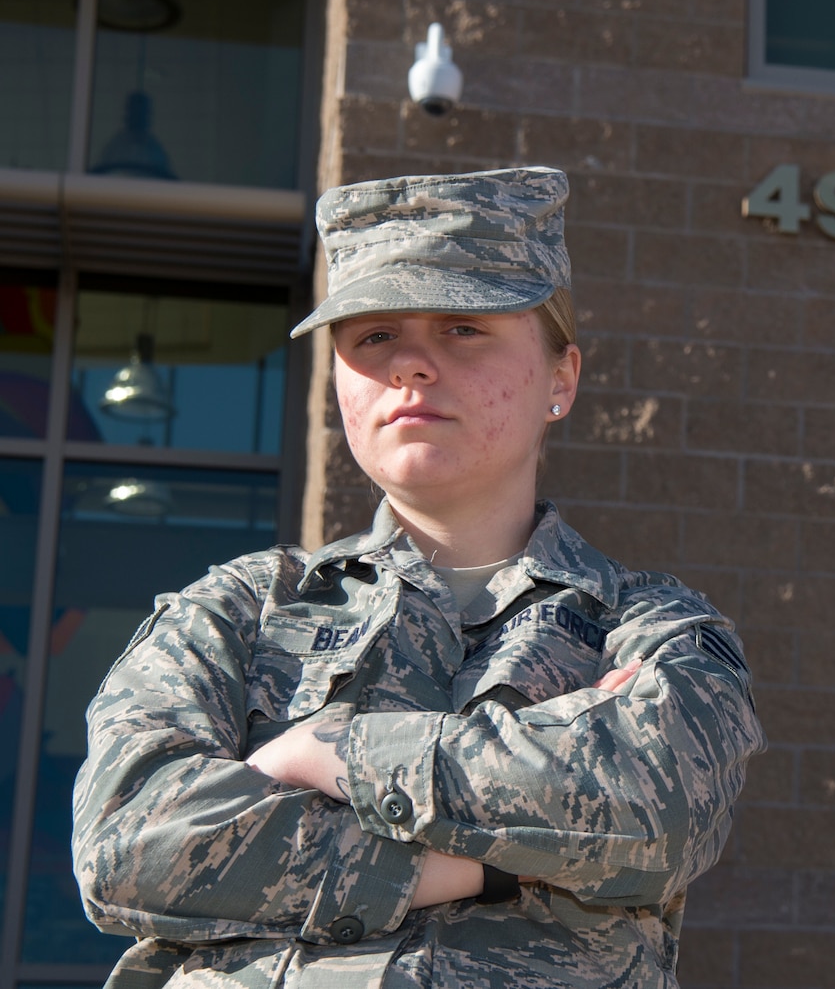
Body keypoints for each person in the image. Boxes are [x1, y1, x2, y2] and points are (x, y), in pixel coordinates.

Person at [70, 166, 764, 988]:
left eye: (463, 328)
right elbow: (125, 845)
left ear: (561, 379)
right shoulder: (239, 609)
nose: (412, 366)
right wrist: (495, 865)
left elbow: (658, 811)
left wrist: (331, 750)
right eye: (373, 337)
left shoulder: (653, 628)